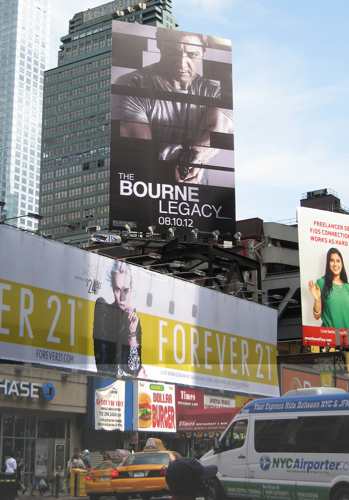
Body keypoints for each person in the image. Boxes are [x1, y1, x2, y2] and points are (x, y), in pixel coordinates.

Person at [113, 29, 233, 185]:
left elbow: (216, 133)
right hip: (146, 188)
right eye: (173, 52)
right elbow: (140, 149)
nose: (181, 63)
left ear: (203, 53)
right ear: (159, 45)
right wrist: (188, 160)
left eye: (192, 55)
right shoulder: (131, 83)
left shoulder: (213, 90)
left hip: (197, 192)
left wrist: (192, 159)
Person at [93, 261, 144, 377]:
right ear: (112, 288)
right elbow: (102, 364)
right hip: (107, 383)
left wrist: (132, 334)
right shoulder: (103, 311)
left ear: (131, 289)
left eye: (125, 290)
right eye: (117, 289)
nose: (121, 297)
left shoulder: (135, 322)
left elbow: (133, 369)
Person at [309, 247, 349, 328]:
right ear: (328, 263)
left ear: (342, 264)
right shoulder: (321, 283)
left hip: (346, 337)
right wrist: (317, 300)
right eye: (332, 260)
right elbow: (316, 316)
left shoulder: (347, 287)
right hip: (329, 336)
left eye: (338, 261)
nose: (335, 264)